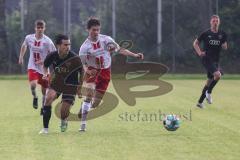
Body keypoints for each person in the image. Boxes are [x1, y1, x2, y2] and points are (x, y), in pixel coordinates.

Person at [78, 17, 144, 131]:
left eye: (98, 29)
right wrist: (87, 70)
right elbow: (82, 63)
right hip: (92, 71)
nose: (96, 32)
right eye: (93, 30)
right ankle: (83, 125)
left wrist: (135, 55)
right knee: (89, 95)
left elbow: (120, 50)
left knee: (95, 104)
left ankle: (84, 108)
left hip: (105, 73)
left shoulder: (106, 40)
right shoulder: (84, 47)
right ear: (88, 30)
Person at [39, 34, 83, 134]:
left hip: (71, 85)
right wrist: (46, 73)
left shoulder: (74, 58)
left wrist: (79, 89)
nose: (68, 47)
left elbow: (82, 72)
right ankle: (45, 129)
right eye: (65, 45)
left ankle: (64, 120)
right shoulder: (52, 55)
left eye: (69, 45)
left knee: (63, 112)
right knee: (48, 99)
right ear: (58, 45)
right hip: (57, 82)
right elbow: (45, 66)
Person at [18, 20, 56, 114]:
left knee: (44, 91)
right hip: (32, 66)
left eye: (41, 28)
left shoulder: (48, 41)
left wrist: (44, 61)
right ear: (35, 28)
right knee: (33, 85)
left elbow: (54, 55)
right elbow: (24, 45)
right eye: (38, 27)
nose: (39, 29)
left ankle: (43, 108)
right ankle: (35, 97)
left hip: (44, 69)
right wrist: (21, 57)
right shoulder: (29, 38)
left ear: (44, 29)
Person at [193, 15, 228, 108]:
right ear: (210, 22)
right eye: (213, 21)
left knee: (209, 81)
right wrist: (200, 52)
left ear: (219, 22)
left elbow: (225, 46)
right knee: (218, 75)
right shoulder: (205, 33)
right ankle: (209, 92)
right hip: (207, 59)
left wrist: (224, 45)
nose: (215, 22)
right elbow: (195, 43)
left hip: (215, 60)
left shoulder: (222, 34)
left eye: (217, 21)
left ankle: (200, 102)